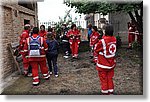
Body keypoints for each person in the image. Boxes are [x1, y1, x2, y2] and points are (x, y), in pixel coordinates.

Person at [94, 24, 117, 95]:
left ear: (105, 31)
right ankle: (111, 92)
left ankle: (105, 93)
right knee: (110, 78)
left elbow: (96, 49)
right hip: (111, 64)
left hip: (103, 64)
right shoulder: (114, 39)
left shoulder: (102, 41)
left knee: (104, 80)